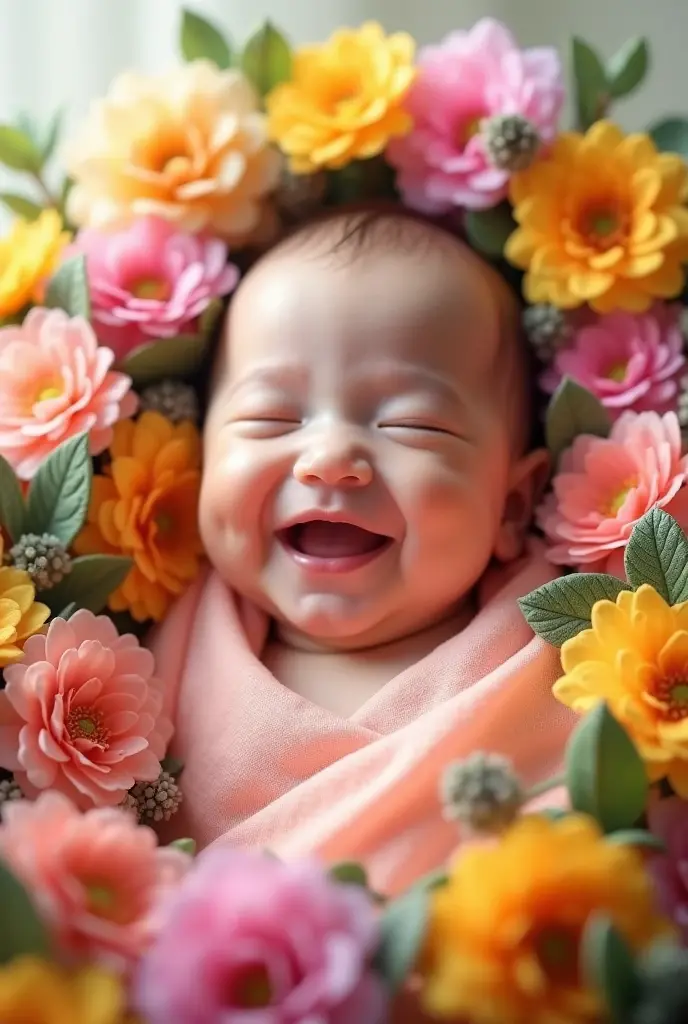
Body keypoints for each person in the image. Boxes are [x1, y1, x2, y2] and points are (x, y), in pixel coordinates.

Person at [150, 205, 575, 896]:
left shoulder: (560, 658)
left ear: (513, 504)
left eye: (409, 423)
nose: (328, 458)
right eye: (271, 418)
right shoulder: (151, 665)